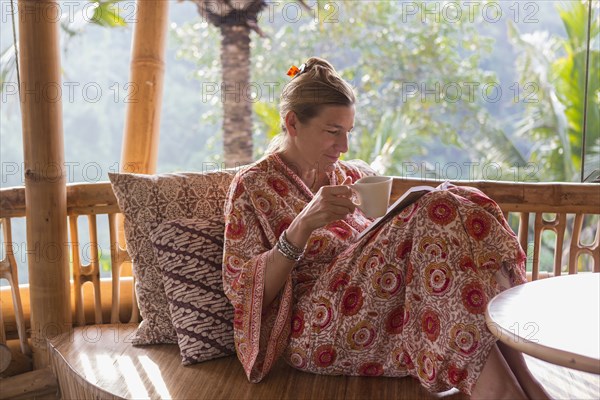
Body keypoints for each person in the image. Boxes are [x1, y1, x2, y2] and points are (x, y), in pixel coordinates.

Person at [222, 57, 549, 399]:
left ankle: (522, 381)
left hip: (381, 308)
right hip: (315, 328)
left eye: (348, 132)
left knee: (460, 199)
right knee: (438, 208)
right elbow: (241, 292)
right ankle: (504, 391)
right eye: (333, 132)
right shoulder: (253, 185)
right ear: (292, 123)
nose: (344, 146)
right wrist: (301, 228)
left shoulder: (350, 175)